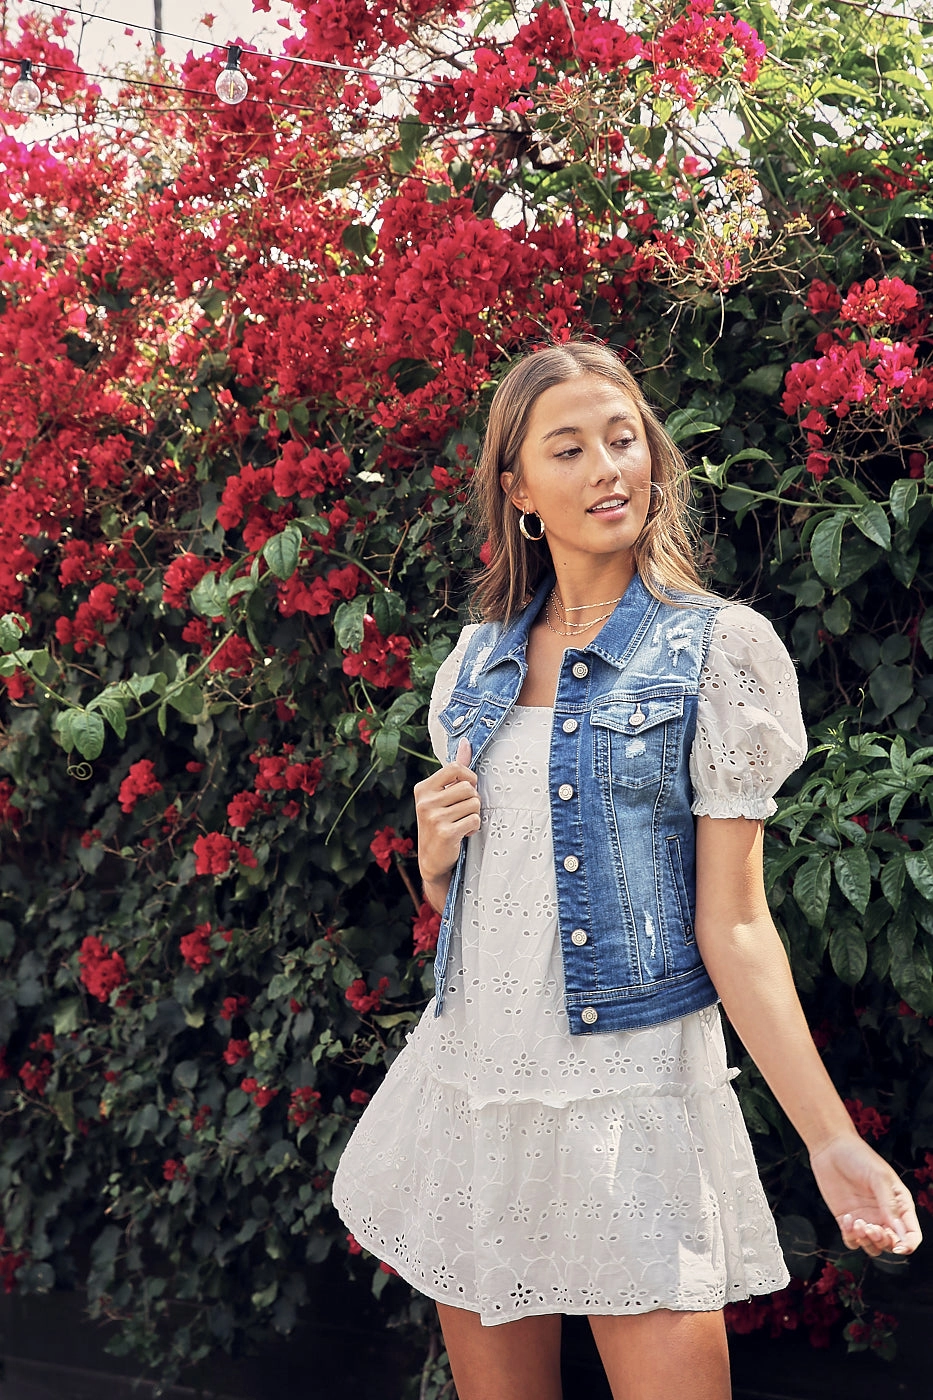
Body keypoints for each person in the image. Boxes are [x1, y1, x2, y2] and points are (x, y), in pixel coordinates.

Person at [332, 342, 922, 1400]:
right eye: (570, 447)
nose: (610, 466)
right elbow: (490, 900)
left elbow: (733, 923)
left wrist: (832, 1141)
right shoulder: (472, 666)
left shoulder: (718, 652)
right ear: (519, 490)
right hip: (478, 1086)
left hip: (631, 1091)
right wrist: (432, 866)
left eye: (623, 439)